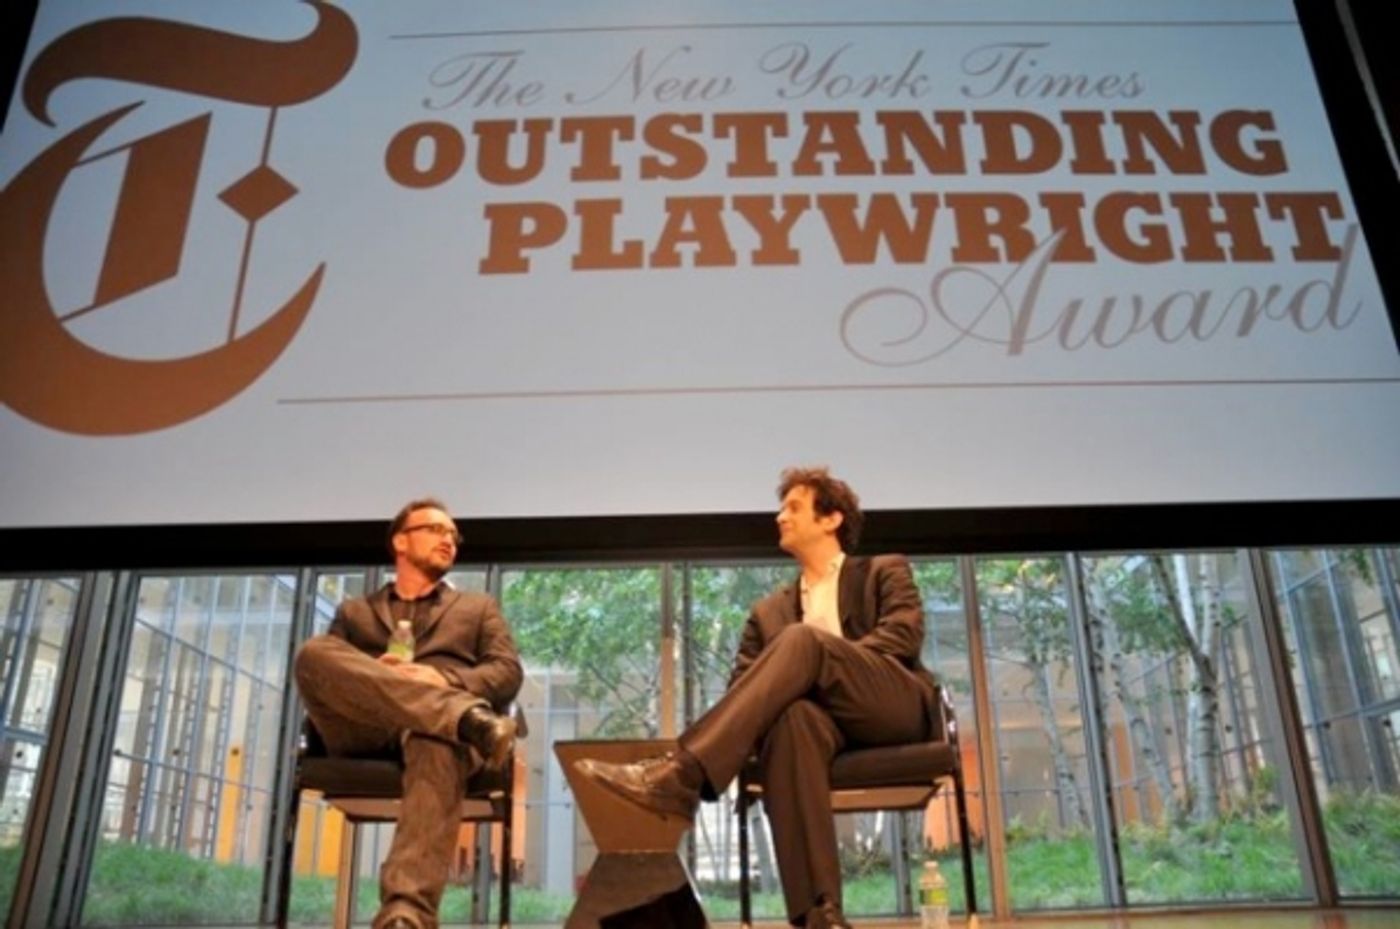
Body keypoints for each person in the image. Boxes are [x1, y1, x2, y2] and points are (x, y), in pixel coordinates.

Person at [575, 467, 938, 929]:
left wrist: (822, 664)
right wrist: (803, 680)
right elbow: (745, 690)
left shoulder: (884, 570)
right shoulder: (768, 613)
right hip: (821, 730)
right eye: (781, 508)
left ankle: (682, 773)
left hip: (889, 706)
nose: (779, 517)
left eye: (794, 507)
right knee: (792, 719)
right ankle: (820, 913)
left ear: (831, 519)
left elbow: (902, 637)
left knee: (803, 642)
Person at [294, 498, 522, 929]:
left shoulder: (478, 608)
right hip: (365, 730)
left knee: (435, 736)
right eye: (436, 530)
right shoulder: (354, 612)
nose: (448, 539)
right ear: (400, 541)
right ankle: (464, 718)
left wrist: (442, 679)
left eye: (453, 535)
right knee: (313, 653)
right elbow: (328, 676)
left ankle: (406, 915)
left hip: (439, 739)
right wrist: (381, 676)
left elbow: (507, 672)